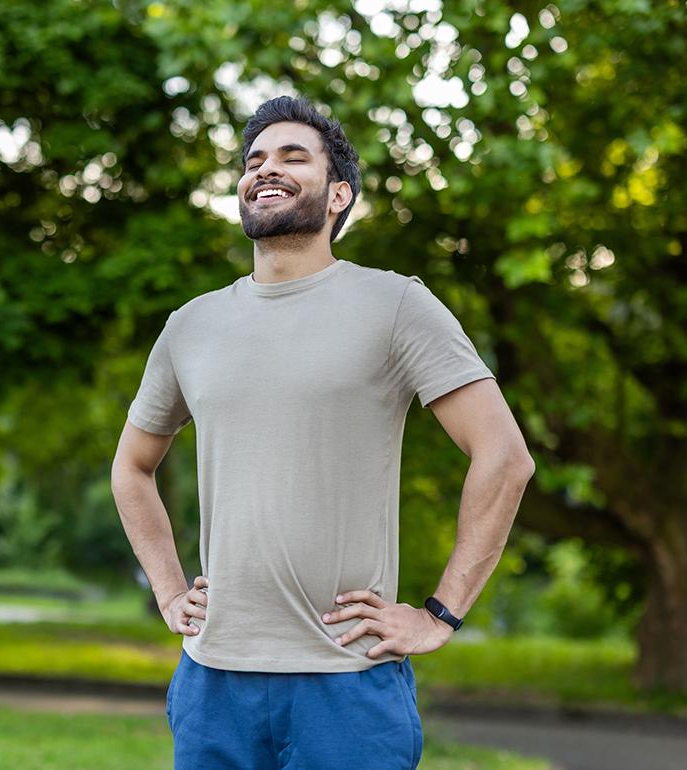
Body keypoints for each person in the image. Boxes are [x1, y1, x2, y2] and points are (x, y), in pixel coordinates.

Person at [110, 95, 535, 770]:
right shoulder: (191, 326)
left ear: (338, 194)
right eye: (253, 160)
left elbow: (505, 458)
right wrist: (168, 590)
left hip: (348, 685)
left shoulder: (396, 304)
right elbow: (131, 467)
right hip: (212, 680)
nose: (264, 168)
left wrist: (438, 616)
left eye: (291, 156)